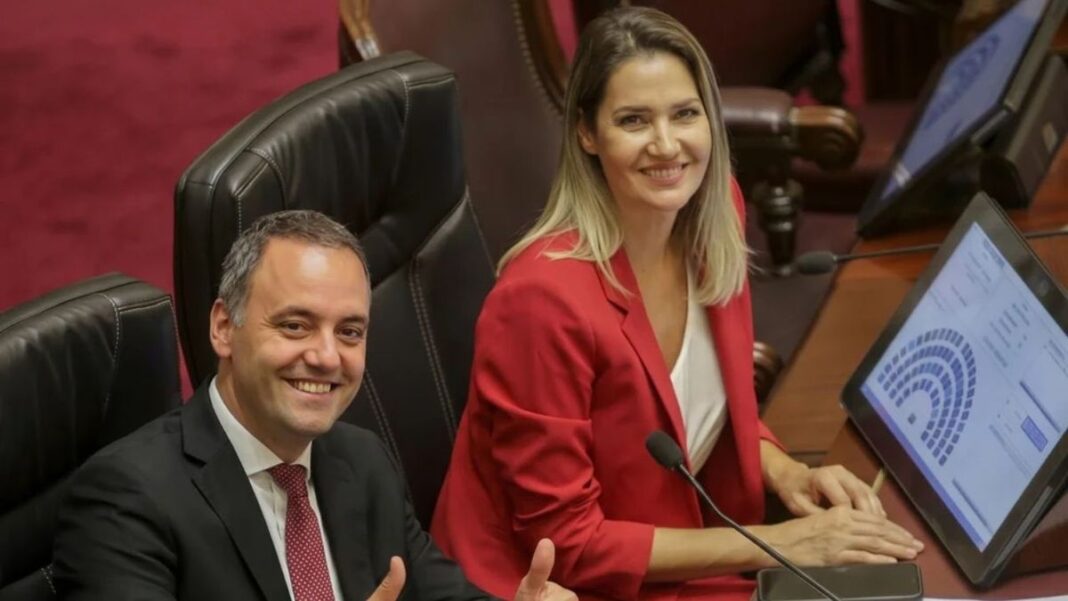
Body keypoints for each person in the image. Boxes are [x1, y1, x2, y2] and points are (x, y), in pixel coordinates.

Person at [430, 7, 923, 601]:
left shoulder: (712, 218)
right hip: (553, 585)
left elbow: (706, 408)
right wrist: (780, 542)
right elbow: (569, 546)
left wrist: (788, 472)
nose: (666, 145)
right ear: (587, 133)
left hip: (679, 541)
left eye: (685, 114)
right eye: (633, 120)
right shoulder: (541, 302)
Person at [52, 211, 576, 601]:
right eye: (295, 326)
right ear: (223, 328)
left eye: (349, 332)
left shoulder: (361, 461)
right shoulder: (128, 497)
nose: (327, 357)